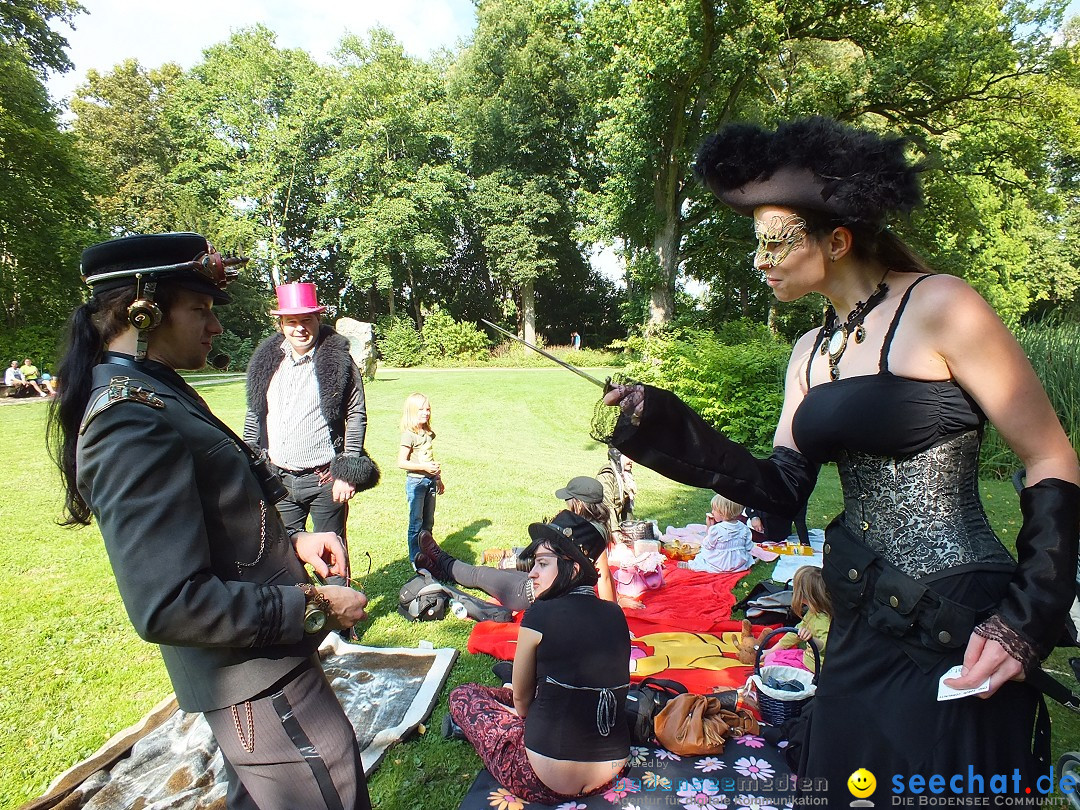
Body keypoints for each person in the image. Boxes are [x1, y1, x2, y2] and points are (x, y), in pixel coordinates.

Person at [603, 117, 1080, 802]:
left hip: (956, 615)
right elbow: (778, 491)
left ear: (836, 239)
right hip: (860, 614)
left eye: (774, 241)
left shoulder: (943, 306)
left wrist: (1027, 620)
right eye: (757, 244)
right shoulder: (808, 353)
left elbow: (1051, 457)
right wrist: (664, 423)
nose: (759, 260)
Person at [47, 232, 371, 810]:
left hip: (264, 665)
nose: (215, 326)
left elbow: (224, 498)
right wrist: (313, 605)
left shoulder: (151, 387)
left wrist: (295, 538)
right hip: (251, 679)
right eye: (199, 309)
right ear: (142, 309)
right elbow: (168, 603)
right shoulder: (128, 419)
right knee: (331, 791)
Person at [445, 510, 630, 805]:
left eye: (542, 564)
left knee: (465, 695)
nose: (532, 573)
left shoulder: (539, 613)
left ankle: (467, 727)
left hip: (543, 779)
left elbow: (522, 704)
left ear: (572, 568)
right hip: (611, 774)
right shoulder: (616, 613)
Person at [244, 282, 375, 554]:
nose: (300, 328)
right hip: (278, 479)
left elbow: (356, 414)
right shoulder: (266, 362)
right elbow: (254, 412)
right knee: (286, 559)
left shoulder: (339, 361)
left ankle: (343, 596)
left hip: (325, 481)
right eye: (291, 321)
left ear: (318, 319)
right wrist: (250, 461)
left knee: (333, 556)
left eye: (306, 320)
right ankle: (308, 599)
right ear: (281, 324)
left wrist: (346, 472)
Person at [415, 476, 619, 610]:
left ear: (578, 503)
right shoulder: (596, 531)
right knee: (492, 573)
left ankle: (442, 559)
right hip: (546, 587)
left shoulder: (583, 531)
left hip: (528, 594)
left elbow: (605, 577)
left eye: (568, 499)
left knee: (479, 574)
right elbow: (605, 577)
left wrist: (610, 615)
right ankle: (440, 571)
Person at [399, 392, 443, 566]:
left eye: (428, 409)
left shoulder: (428, 433)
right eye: (421, 410)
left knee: (428, 521)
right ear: (411, 412)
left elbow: (429, 458)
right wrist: (424, 468)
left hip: (430, 482)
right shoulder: (408, 435)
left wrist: (437, 477)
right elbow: (401, 462)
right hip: (416, 483)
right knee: (416, 523)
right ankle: (415, 558)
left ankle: (428, 553)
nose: (426, 413)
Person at [761, 566, 830, 672]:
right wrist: (771, 650)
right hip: (806, 657)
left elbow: (825, 646)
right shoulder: (813, 611)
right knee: (770, 657)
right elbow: (796, 632)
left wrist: (811, 639)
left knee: (771, 668)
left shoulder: (823, 620)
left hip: (813, 668)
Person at [683, 493, 754, 573]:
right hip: (738, 564)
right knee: (746, 555)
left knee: (702, 553)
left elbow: (707, 545)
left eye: (714, 509)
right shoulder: (744, 528)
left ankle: (693, 565)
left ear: (723, 512)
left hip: (720, 565)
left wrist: (709, 527)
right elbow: (748, 547)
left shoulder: (716, 529)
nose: (712, 512)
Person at [596, 446, 636, 537]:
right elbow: (607, 506)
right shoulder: (606, 476)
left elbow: (627, 509)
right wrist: (615, 532)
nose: (632, 461)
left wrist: (630, 528)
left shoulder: (625, 476)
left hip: (611, 525)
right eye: (628, 457)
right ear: (618, 457)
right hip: (601, 528)